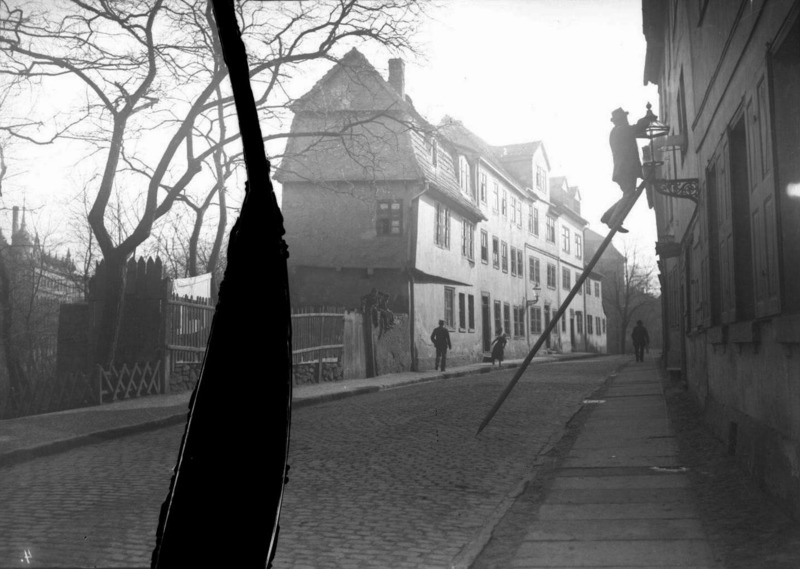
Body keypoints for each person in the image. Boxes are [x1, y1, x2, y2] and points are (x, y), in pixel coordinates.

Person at [601, 107, 653, 233]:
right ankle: (613, 220)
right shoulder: (621, 130)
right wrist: (647, 118)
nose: (626, 119)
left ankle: (608, 216)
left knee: (628, 194)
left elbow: (636, 132)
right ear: (620, 119)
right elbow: (636, 129)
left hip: (624, 169)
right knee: (629, 194)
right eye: (624, 117)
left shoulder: (618, 131)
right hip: (626, 170)